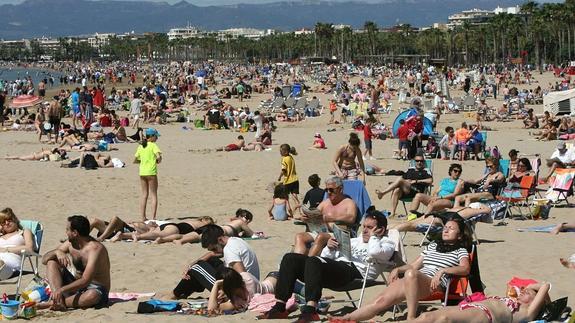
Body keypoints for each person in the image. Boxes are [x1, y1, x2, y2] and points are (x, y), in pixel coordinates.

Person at [258, 209, 397, 321]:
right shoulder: (355, 241)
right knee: (290, 258)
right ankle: (280, 306)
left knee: (314, 260)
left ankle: (311, 309)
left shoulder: (387, 244)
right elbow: (325, 258)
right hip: (336, 269)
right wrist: (330, 248)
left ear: (381, 229)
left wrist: (374, 237)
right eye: (364, 227)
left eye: (370, 228)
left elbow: (373, 252)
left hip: (356, 273)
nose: (365, 230)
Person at [330, 214, 472, 322]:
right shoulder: (433, 246)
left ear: (459, 235)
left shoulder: (460, 251)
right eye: (445, 227)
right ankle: (346, 319)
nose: (446, 230)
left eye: (451, 229)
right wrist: (398, 269)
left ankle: (411, 318)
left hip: (433, 284)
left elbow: (465, 269)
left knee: (411, 274)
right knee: (380, 301)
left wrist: (443, 271)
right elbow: (413, 266)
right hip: (413, 280)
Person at [165, 225, 260, 300]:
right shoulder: (235, 241)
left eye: (214, 248)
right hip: (250, 286)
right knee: (207, 261)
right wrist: (190, 265)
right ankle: (180, 293)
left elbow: (242, 275)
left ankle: (176, 293)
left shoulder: (230, 249)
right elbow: (212, 254)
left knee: (197, 267)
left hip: (241, 291)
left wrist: (224, 290)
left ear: (220, 240)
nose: (214, 251)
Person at [40, 215, 111, 310]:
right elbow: (44, 260)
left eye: (67, 230)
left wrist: (62, 290)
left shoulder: (95, 249)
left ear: (75, 233)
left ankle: (53, 303)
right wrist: (57, 252)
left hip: (96, 288)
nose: (66, 232)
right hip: (76, 285)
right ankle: (58, 300)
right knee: (52, 262)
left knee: (92, 296)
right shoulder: (70, 244)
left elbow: (86, 280)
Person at [413, 282, 550, 323]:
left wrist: (541, 297)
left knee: (444, 319)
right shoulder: (512, 299)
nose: (525, 291)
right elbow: (530, 287)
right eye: (524, 290)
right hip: (472, 307)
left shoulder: (527, 312)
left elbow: (545, 286)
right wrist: (528, 291)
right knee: (427, 317)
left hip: (485, 315)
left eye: (529, 293)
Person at [293, 176, 358, 256]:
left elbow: (351, 218)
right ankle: (296, 261)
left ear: (340, 189)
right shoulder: (325, 203)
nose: (328, 192)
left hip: (337, 234)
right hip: (320, 231)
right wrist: (306, 218)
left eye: (331, 190)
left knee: (321, 237)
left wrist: (330, 218)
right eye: (326, 190)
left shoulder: (349, 203)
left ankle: (308, 263)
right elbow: (315, 214)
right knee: (300, 236)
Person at [207, 267, 277, 314]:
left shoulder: (248, 283)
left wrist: (216, 285)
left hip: (279, 280)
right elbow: (212, 309)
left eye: (220, 286)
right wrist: (216, 285)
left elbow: (212, 309)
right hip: (271, 280)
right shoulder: (237, 291)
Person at [134, 128, 162, 221]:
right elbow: (158, 157)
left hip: (142, 172)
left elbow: (135, 160)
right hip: (151, 172)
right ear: (152, 136)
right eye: (156, 136)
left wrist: (142, 161)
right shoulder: (153, 145)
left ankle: (143, 217)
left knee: (144, 195)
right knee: (154, 194)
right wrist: (158, 160)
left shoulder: (141, 146)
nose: (157, 138)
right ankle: (153, 217)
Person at [0, 208, 35, 280]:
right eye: (3, 222)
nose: (7, 223)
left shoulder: (24, 232)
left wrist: (6, 249)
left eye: (9, 219)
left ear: (15, 219)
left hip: (9, 267)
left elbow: (29, 248)